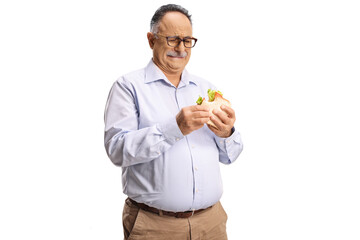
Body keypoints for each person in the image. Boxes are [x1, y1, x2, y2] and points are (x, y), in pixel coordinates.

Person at [104, 4, 243, 240]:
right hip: (154, 226)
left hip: (212, 223)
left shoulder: (207, 88)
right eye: (172, 39)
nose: (180, 48)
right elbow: (117, 151)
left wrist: (226, 133)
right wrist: (174, 128)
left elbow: (231, 155)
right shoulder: (127, 87)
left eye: (187, 40)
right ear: (151, 40)